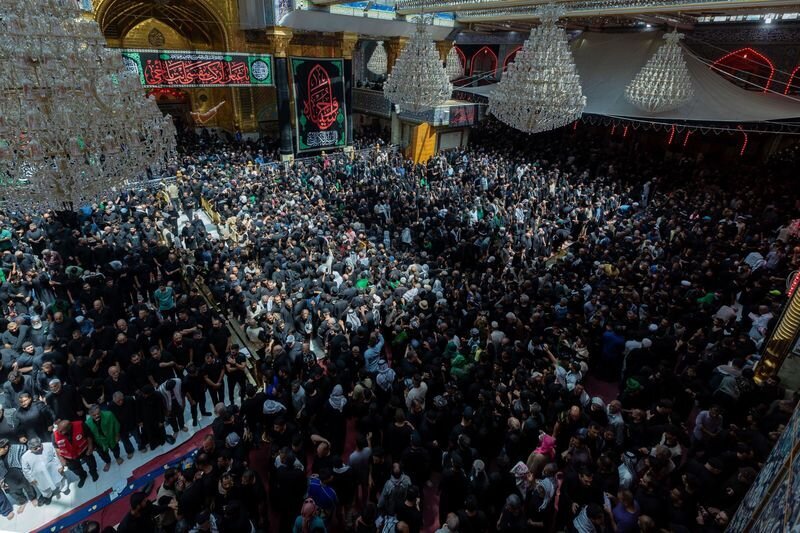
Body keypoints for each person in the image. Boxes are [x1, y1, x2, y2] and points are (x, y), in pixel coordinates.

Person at [21, 438, 69, 504]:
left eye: (39, 446)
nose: (38, 449)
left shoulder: (48, 445)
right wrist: (31, 479)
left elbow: (55, 456)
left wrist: (59, 466)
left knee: (60, 479)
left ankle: (64, 488)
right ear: (30, 449)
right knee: (44, 487)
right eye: (35, 448)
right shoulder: (25, 457)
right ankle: (48, 496)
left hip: (53, 469)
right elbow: (25, 469)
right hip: (39, 475)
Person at [52, 419, 98, 488]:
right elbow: (56, 447)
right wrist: (61, 459)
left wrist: (90, 447)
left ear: (69, 428)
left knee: (91, 461)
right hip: (69, 456)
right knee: (75, 468)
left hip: (83, 450)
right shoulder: (54, 435)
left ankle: (93, 472)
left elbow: (89, 436)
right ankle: (83, 476)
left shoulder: (80, 425)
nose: (59, 432)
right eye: (59, 430)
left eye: (61, 431)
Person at [84, 404, 124, 472]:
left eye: (98, 413)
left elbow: (116, 424)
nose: (97, 416)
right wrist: (93, 446)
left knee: (115, 448)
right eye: (94, 415)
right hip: (99, 442)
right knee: (102, 454)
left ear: (100, 411)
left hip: (111, 437)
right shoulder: (87, 423)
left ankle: (117, 457)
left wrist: (117, 435)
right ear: (90, 415)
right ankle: (108, 462)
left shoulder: (109, 414)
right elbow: (89, 436)